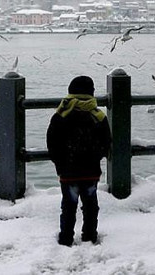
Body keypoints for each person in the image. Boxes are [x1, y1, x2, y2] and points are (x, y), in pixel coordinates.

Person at [46, 75, 111, 246]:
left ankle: (66, 237)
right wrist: (96, 156)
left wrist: (59, 163)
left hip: (68, 171)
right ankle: (90, 236)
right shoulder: (98, 115)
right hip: (91, 171)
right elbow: (107, 142)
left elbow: (52, 142)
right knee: (91, 206)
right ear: (91, 93)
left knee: (68, 206)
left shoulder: (61, 114)